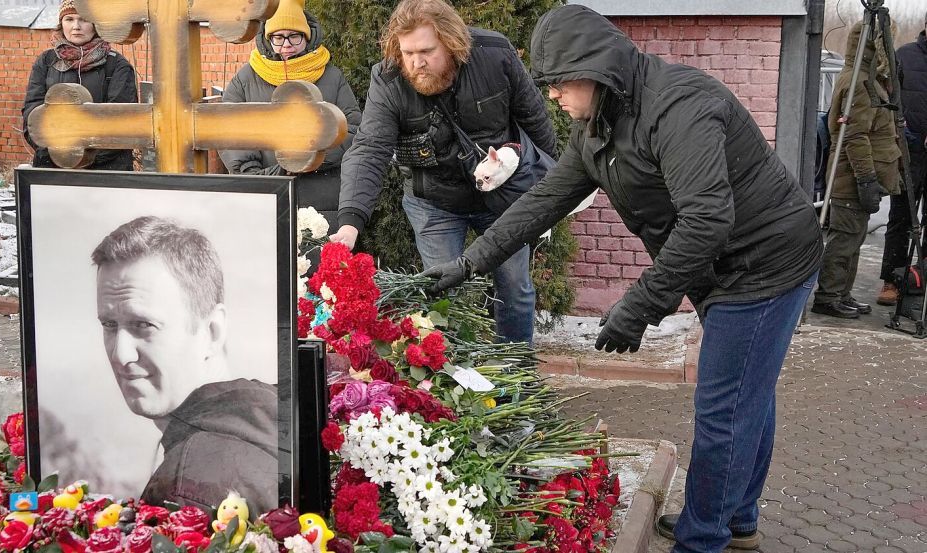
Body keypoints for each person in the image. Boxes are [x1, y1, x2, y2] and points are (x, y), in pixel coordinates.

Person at [421, 6, 822, 552]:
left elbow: (707, 218)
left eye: (558, 83)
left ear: (594, 67)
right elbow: (543, 201)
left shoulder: (679, 106)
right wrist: (471, 262)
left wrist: (638, 306)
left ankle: (702, 539)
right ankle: (737, 519)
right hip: (718, 267)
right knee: (745, 392)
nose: (554, 98)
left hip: (766, 263)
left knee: (725, 405)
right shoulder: (598, 126)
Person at [330, 0, 556, 345]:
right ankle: (458, 391)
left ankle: (516, 378)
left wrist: (551, 188)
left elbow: (535, 119)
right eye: (407, 52)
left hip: (503, 198)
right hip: (433, 202)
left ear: (451, 42)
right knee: (445, 297)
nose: (416, 63)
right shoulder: (389, 79)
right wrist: (350, 221)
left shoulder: (494, 54)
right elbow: (370, 149)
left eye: (426, 51)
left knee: (515, 289)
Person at [92, 216, 279, 512]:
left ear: (212, 330)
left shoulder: (188, 490)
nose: (120, 354)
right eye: (109, 325)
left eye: (143, 324)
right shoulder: (271, 416)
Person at [218, 0, 361, 235]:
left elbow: (353, 129)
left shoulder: (332, 77)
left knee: (319, 268)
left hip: (324, 202)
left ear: (307, 37)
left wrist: (311, 156)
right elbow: (230, 131)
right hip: (266, 196)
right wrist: (271, 175)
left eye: (295, 36)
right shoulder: (245, 79)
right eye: (278, 37)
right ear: (267, 38)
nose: (287, 45)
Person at [813, 21, 901, 318]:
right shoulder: (859, 84)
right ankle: (828, 296)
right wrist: (866, 179)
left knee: (853, 241)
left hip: (854, 179)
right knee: (843, 241)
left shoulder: (867, 79)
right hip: (850, 180)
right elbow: (853, 135)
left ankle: (841, 293)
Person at [22, 0, 137, 170]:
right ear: (61, 23)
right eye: (69, 19)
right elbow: (33, 112)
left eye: (83, 19)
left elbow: (122, 119)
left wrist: (87, 157)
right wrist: (56, 153)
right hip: (54, 165)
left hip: (106, 170)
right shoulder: (46, 62)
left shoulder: (116, 65)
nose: (76, 26)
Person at [878, 12, 927, 306]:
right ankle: (892, 280)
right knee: (900, 217)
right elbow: (889, 102)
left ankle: (920, 278)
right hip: (909, 152)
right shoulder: (904, 57)